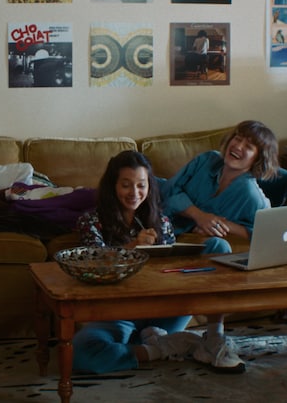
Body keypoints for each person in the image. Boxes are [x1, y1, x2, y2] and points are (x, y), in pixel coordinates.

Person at [160, 120, 280, 373]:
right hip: (161, 220)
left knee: (218, 245)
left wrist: (228, 225)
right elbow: (170, 190)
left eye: (248, 146)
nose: (237, 146)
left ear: (258, 159)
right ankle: (179, 339)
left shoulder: (250, 194)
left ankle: (215, 336)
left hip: (194, 245)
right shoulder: (206, 160)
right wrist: (198, 215)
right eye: (237, 138)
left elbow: (269, 231)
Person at [72, 151, 202, 374]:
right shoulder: (91, 221)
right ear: (113, 186)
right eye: (126, 185)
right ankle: (157, 350)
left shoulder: (161, 220)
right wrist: (133, 246)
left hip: (161, 310)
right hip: (118, 313)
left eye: (141, 185)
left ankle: (160, 341)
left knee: (218, 248)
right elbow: (93, 263)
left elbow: (173, 271)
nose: (134, 193)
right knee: (79, 354)